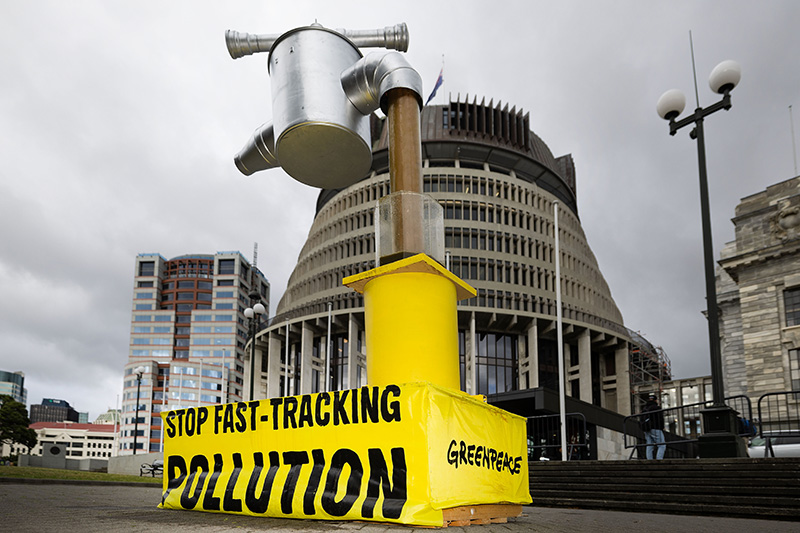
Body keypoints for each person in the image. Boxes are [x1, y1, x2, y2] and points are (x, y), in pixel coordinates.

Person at [642, 393, 666, 460]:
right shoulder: (656, 408)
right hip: (656, 428)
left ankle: (649, 460)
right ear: (655, 400)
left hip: (646, 428)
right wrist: (662, 427)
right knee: (662, 445)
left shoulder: (644, 408)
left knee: (649, 444)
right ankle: (659, 459)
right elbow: (660, 419)